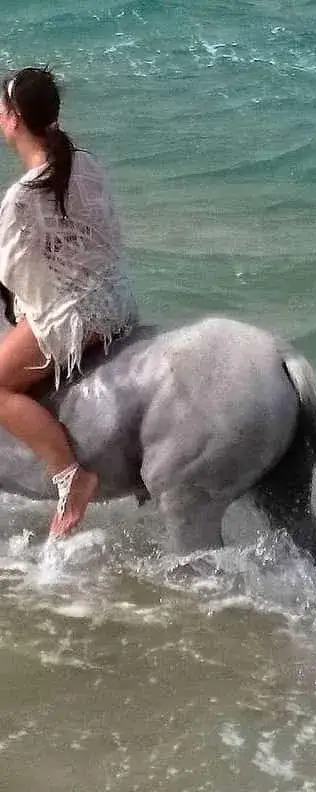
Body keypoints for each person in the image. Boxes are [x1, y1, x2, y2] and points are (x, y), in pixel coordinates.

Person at [0, 66, 137, 538]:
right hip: (116, 302)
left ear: (13, 119)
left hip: (73, 317)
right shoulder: (88, 164)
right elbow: (97, 239)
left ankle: (70, 475)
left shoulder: (21, 197)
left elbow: (14, 274)